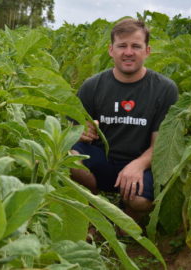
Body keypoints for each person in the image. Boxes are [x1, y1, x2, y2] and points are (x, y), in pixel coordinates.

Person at [70, 19, 178, 223]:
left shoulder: (165, 90)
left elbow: (161, 145)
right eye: (122, 46)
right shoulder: (92, 86)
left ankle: (128, 216)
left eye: (136, 46)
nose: (128, 52)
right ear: (111, 50)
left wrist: (138, 165)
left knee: (139, 201)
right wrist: (80, 132)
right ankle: (92, 208)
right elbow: (73, 129)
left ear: (147, 51)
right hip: (102, 160)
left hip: (140, 164)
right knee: (69, 158)